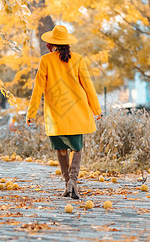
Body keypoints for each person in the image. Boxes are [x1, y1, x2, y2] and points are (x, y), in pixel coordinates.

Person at [26, 25, 103, 199]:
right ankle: (73, 183)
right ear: (67, 43)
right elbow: (88, 86)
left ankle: (68, 183)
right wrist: (97, 110)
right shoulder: (78, 59)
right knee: (77, 148)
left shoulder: (45, 60)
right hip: (77, 110)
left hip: (56, 113)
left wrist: (31, 113)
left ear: (51, 43)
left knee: (61, 149)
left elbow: (38, 89)